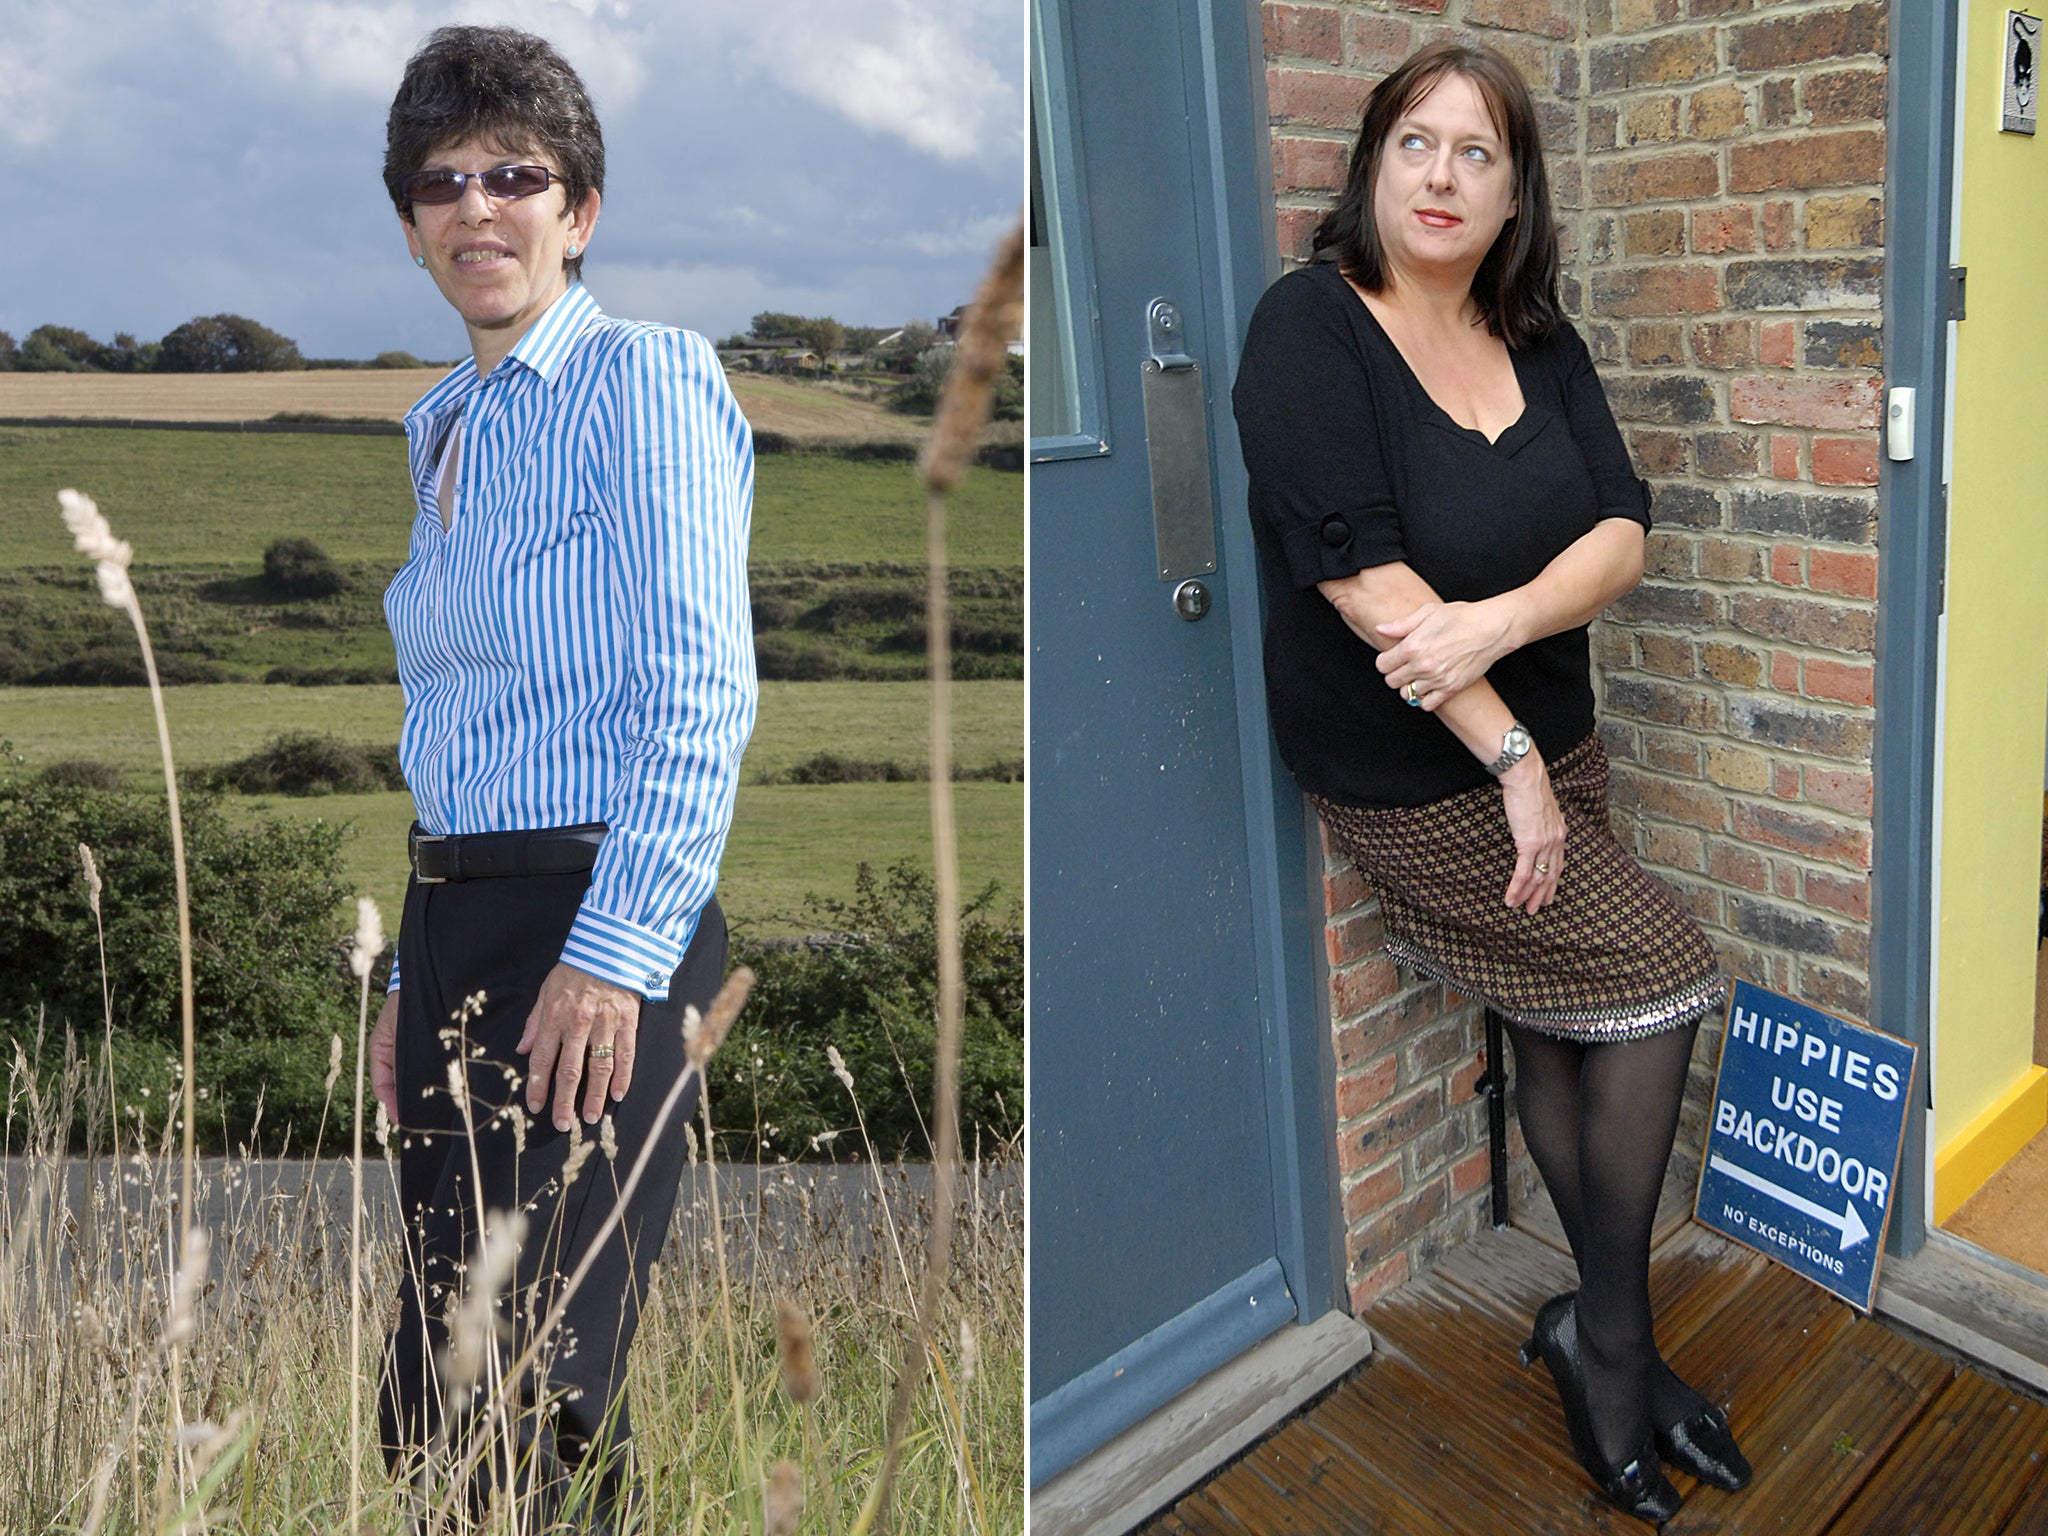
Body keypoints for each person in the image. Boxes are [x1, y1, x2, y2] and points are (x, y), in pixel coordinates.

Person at [1232, 40, 1744, 1529]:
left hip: (1551, 733)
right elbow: (1367, 590)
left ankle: (1593, 1332)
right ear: (1372, 161)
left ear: (1517, 193)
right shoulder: (1309, 333)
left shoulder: (1538, 336)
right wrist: (1512, 759)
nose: (1442, 177)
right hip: (1419, 777)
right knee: (1658, 978)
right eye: (1417, 144)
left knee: (1556, 1018)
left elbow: (1622, 534)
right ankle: (1619, 1348)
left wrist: (1511, 626)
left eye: (1477, 154)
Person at [364, 24, 756, 1531]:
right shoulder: (443, 428)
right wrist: (411, 966)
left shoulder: (643, 384)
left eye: (515, 175)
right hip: (460, 927)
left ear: (579, 209)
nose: (479, 208)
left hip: (594, 928)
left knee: (536, 1391)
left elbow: (700, 692)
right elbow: (457, 736)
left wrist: (612, 955)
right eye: (442, 181)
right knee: (443, 1401)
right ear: (409, 225)